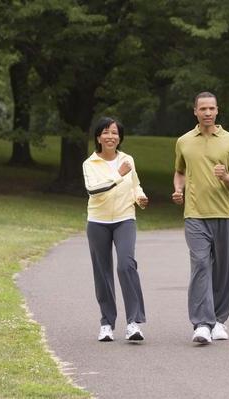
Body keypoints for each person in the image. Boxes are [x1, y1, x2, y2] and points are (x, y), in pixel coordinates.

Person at [172, 92, 229, 344]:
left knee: (224, 271)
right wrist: (178, 189)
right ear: (195, 111)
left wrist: (225, 177)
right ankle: (202, 324)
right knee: (201, 265)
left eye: (211, 108)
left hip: (225, 214)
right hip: (195, 215)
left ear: (217, 110)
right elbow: (180, 172)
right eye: (202, 108)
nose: (207, 113)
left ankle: (220, 321)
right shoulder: (183, 141)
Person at [83, 116, 149, 342]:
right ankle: (106, 324)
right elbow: (93, 189)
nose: (110, 136)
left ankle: (133, 323)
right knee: (102, 273)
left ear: (119, 137)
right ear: (98, 137)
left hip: (124, 219)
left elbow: (135, 183)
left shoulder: (127, 160)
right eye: (106, 132)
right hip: (98, 222)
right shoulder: (90, 163)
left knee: (126, 265)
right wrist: (118, 175)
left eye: (114, 133)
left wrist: (140, 196)